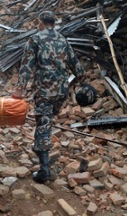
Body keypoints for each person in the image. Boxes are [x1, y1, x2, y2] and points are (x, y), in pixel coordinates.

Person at [11, 10, 87, 183]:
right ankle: (40, 147)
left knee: (43, 125)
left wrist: (19, 89)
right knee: (47, 122)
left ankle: (44, 169)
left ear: (41, 23)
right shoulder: (63, 39)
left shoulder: (35, 39)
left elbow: (26, 65)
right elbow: (75, 63)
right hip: (61, 90)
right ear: (54, 23)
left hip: (44, 91)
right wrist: (84, 82)